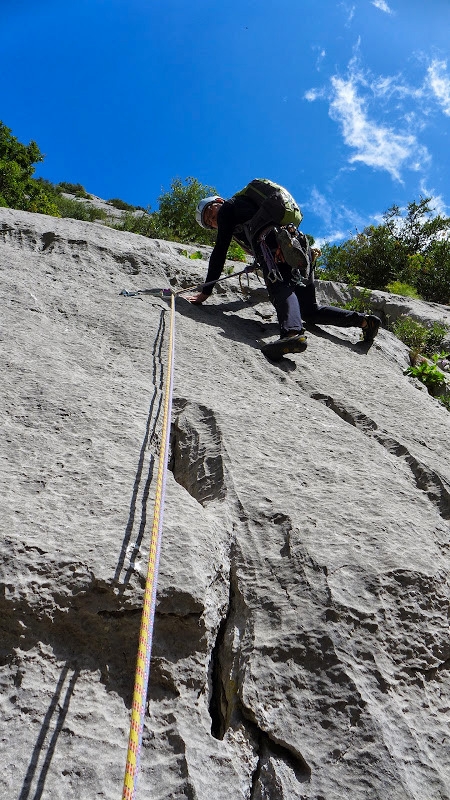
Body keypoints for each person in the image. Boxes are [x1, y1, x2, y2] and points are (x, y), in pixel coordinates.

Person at [188, 180, 381, 359]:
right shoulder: (244, 212)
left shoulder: (228, 208)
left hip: (272, 243)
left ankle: (292, 334)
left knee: (278, 287)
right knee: (308, 311)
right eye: (209, 222)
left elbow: (220, 250)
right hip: (297, 246)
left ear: (219, 201)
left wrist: (206, 291)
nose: (212, 219)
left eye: (210, 211)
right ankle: (365, 322)